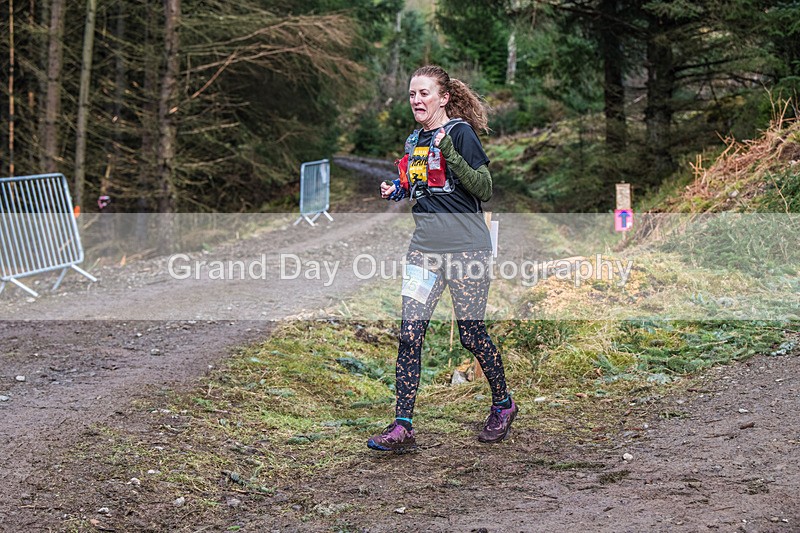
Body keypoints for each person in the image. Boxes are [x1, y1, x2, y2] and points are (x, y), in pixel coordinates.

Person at [367, 65, 518, 453]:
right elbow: (421, 185)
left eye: (424, 94)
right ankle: (403, 427)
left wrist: (451, 154)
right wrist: (397, 189)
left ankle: (503, 404)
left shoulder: (460, 134)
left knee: (470, 334)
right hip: (425, 250)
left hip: (467, 249)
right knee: (409, 334)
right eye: (412, 94)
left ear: (444, 97)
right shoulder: (414, 140)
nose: (417, 100)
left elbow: (484, 187)